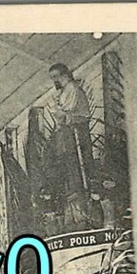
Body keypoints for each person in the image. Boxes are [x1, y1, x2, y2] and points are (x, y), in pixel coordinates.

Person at [48, 62, 99, 231]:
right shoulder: (63, 92)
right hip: (68, 132)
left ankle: (87, 205)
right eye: (52, 78)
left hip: (76, 130)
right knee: (70, 167)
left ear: (64, 74)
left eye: (56, 76)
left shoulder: (72, 89)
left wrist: (59, 111)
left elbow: (65, 112)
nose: (55, 80)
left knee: (79, 165)